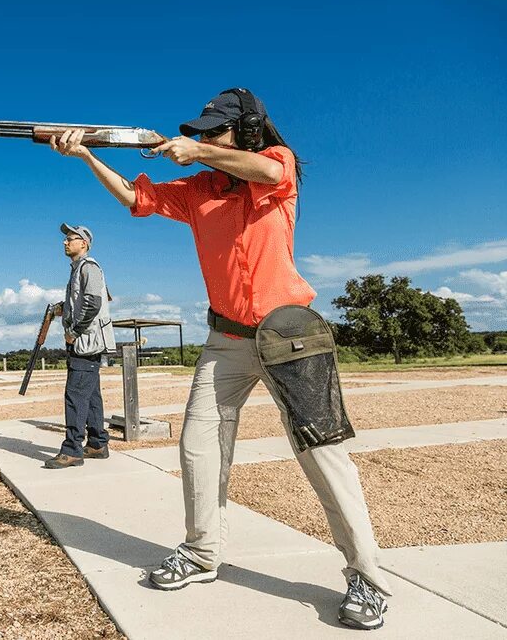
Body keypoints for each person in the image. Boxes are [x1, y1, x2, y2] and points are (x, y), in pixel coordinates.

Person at [49, 89, 392, 630]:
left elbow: (258, 167)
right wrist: (88, 155)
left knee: (324, 458)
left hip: (289, 335)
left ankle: (367, 576)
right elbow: (136, 200)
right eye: (202, 132)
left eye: (216, 132)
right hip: (224, 339)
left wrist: (196, 150)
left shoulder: (275, 166)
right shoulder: (198, 188)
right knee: (197, 446)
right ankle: (202, 553)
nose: (206, 138)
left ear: (248, 131)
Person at [45, 223, 116, 470]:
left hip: (85, 343)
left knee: (75, 395)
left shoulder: (89, 268)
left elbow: (93, 303)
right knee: (91, 394)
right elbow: (79, 302)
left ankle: (72, 450)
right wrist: (60, 309)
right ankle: (97, 443)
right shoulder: (78, 270)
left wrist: (73, 333)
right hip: (88, 343)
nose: (65, 242)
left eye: (70, 238)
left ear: (83, 243)